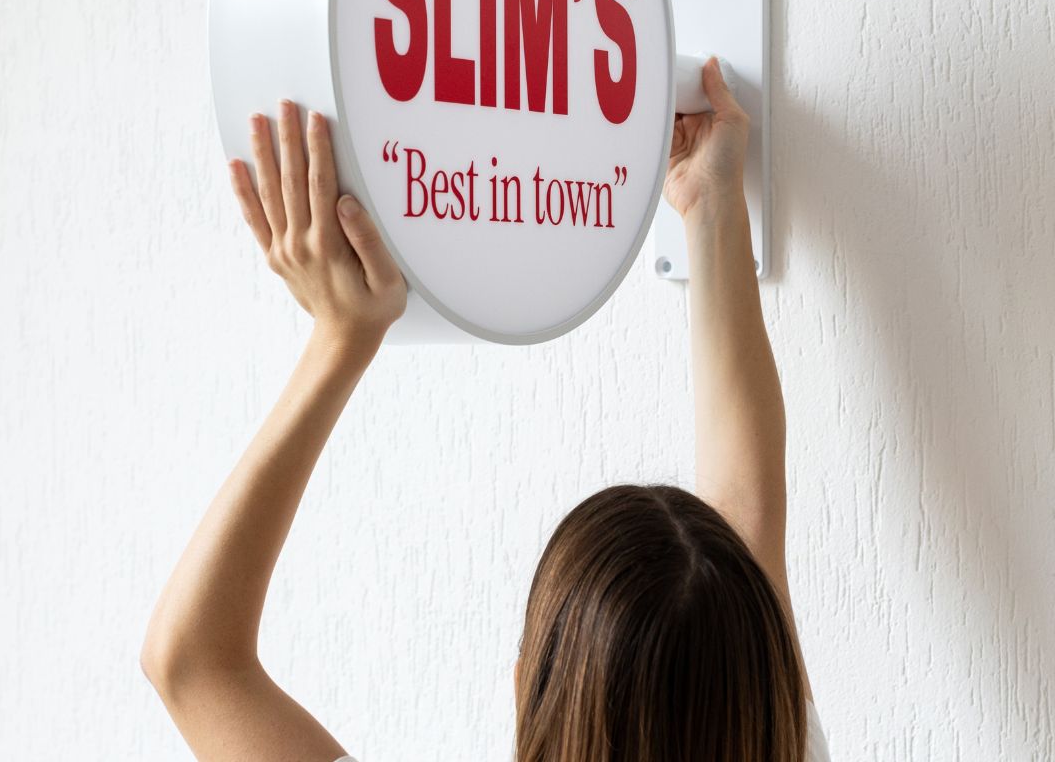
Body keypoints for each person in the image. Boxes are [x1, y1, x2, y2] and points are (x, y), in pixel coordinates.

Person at [141, 57, 830, 761]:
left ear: (523, 686)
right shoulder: (774, 740)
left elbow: (194, 661)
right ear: (771, 686)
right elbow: (747, 511)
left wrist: (340, 340)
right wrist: (712, 204)